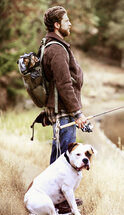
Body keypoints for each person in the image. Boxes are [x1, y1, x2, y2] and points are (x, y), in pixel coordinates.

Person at [43, 6, 87, 164]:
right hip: (64, 112)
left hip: (62, 111)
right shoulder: (56, 49)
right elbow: (64, 84)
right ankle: (53, 189)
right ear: (57, 25)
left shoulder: (52, 46)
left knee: (58, 158)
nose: (70, 24)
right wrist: (77, 113)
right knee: (64, 161)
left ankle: (49, 189)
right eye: (66, 21)